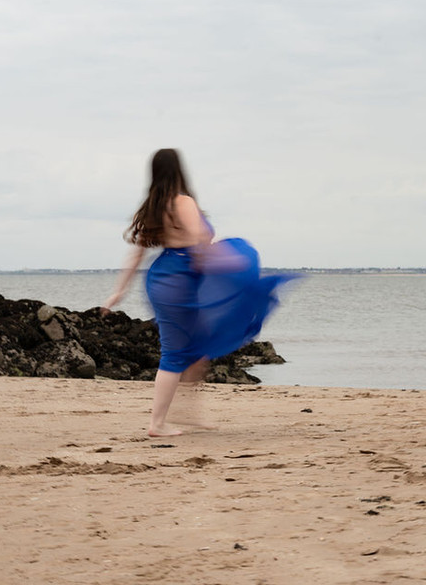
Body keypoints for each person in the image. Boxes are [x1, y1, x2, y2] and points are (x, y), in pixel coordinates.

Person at [102, 148, 297, 437]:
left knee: (198, 347)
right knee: (174, 353)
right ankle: (156, 424)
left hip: (163, 277)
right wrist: (228, 262)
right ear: (179, 169)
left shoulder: (153, 207)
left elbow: (136, 256)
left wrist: (117, 292)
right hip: (180, 280)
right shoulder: (182, 202)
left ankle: (185, 412)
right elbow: (197, 241)